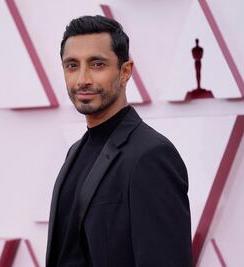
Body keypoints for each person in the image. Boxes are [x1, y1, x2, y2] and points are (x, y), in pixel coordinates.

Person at [46, 15, 193, 267]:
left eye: (97, 64)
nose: (82, 79)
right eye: (72, 65)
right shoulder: (75, 152)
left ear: (125, 71)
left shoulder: (150, 155)